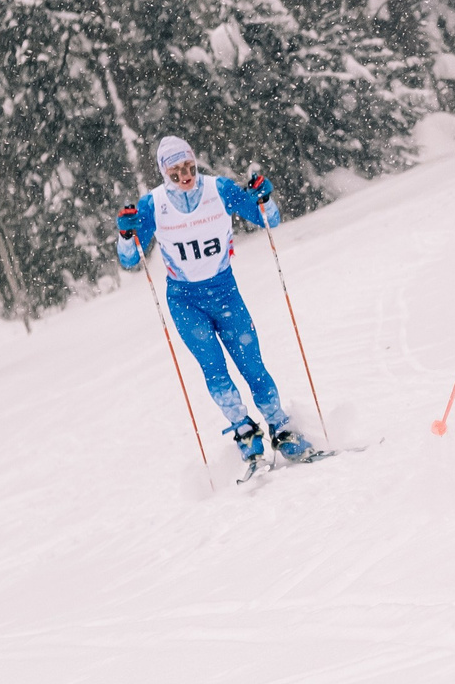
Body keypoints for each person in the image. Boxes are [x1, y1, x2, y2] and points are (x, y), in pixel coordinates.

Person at [116, 136, 313, 467]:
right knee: (215, 371)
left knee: (252, 366)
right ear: (164, 173)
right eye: (175, 171)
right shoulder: (153, 204)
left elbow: (269, 219)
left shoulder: (218, 189)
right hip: (185, 301)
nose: (184, 176)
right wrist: (125, 234)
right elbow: (131, 258)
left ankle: (281, 428)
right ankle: (244, 430)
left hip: (225, 293)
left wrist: (264, 197)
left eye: (188, 167)